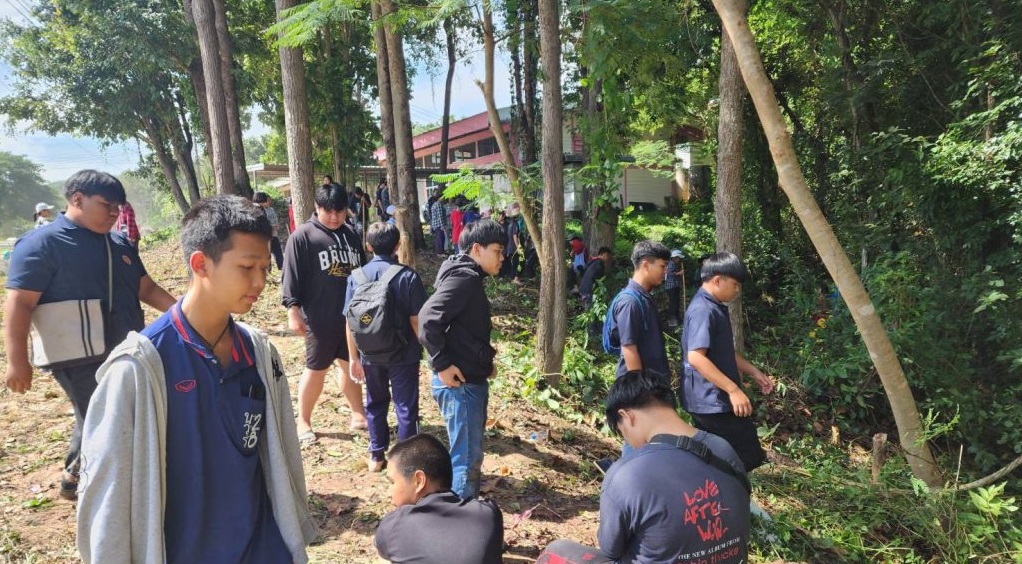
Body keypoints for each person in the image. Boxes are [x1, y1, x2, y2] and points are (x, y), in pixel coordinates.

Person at [76, 195, 317, 563]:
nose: (260, 281)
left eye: (265, 268)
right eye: (247, 267)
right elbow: (107, 494)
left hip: (262, 548)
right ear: (200, 264)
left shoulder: (259, 353)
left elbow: (279, 455)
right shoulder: (138, 369)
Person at [3, 170, 176, 501]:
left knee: (104, 413)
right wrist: (17, 361)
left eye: (118, 208)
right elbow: (19, 303)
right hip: (75, 354)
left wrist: (186, 315)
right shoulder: (42, 244)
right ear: (77, 199)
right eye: (106, 206)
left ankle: (76, 473)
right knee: (107, 414)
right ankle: (100, 489)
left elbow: (147, 289)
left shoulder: (118, 243)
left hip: (125, 347)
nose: (113, 214)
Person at [536, 371, 750, 564]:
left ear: (627, 416)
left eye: (623, 432)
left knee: (557, 549)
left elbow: (611, 549)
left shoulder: (626, 473)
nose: (629, 441)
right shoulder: (723, 448)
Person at [418, 219, 506, 499]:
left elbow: (459, 329)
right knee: (466, 460)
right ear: (477, 249)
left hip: (467, 380)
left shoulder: (466, 276)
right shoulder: (464, 278)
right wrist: (441, 364)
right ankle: (460, 514)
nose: (502, 258)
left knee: (465, 455)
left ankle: (458, 508)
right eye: (497, 251)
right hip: (461, 386)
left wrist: (483, 363)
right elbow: (427, 319)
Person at [282, 183, 368, 444]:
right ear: (317, 208)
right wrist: (293, 310)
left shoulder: (351, 235)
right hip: (319, 317)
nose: (334, 217)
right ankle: (303, 420)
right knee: (316, 368)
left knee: (350, 364)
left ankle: (358, 413)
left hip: (350, 318)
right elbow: (291, 275)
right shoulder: (303, 236)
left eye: (339, 211)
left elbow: (362, 272)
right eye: (328, 211)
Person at [345, 222, 428, 472]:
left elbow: (350, 322)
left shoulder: (355, 278)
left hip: (370, 353)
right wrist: (428, 349)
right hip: (404, 353)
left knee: (375, 403)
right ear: (398, 246)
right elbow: (416, 320)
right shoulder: (408, 277)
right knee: (405, 407)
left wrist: (353, 358)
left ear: (368, 246)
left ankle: (376, 456)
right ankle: (404, 463)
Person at [681, 251, 775, 472]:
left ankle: (718, 489)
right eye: (735, 284)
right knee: (744, 456)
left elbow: (724, 352)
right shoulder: (703, 310)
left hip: (712, 399)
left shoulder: (713, 306)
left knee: (722, 459)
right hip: (711, 401)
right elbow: (695, 357)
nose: (737, 290)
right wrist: (733, 390)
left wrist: (753, 371)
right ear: (717, 280)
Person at [374, 434, 504, 563]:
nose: (389, 492)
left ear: (419, 481)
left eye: (392, 482)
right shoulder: (489, 514)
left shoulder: (395, 526)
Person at [605, 240, 671, 381]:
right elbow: (629, 348)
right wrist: (639, 389)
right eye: (662, 266)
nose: (665, 271)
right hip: (641, 387)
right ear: (645, 265)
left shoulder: (644, 297)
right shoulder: (630, 302)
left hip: (653, 383)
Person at [253, 192, 284, 270]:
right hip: (261, 236)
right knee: (266, 254)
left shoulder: (262, 208)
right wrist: (270, 227)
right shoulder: (254, 209)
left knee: (275, 252)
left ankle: (278, 267)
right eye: (265, 200)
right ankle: (267, 269)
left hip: (268, 234)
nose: (267, 201)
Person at [664, 249, 685, 327]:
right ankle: (671, 320)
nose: (679, 260)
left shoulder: (674, 264)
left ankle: (677, 319)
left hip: (674, 286)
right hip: (671, 287)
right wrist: (679, 273)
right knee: (673, 303)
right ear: (675, 257)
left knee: (676, 302)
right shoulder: (671, 263)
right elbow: (670, 273)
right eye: (678, 258)